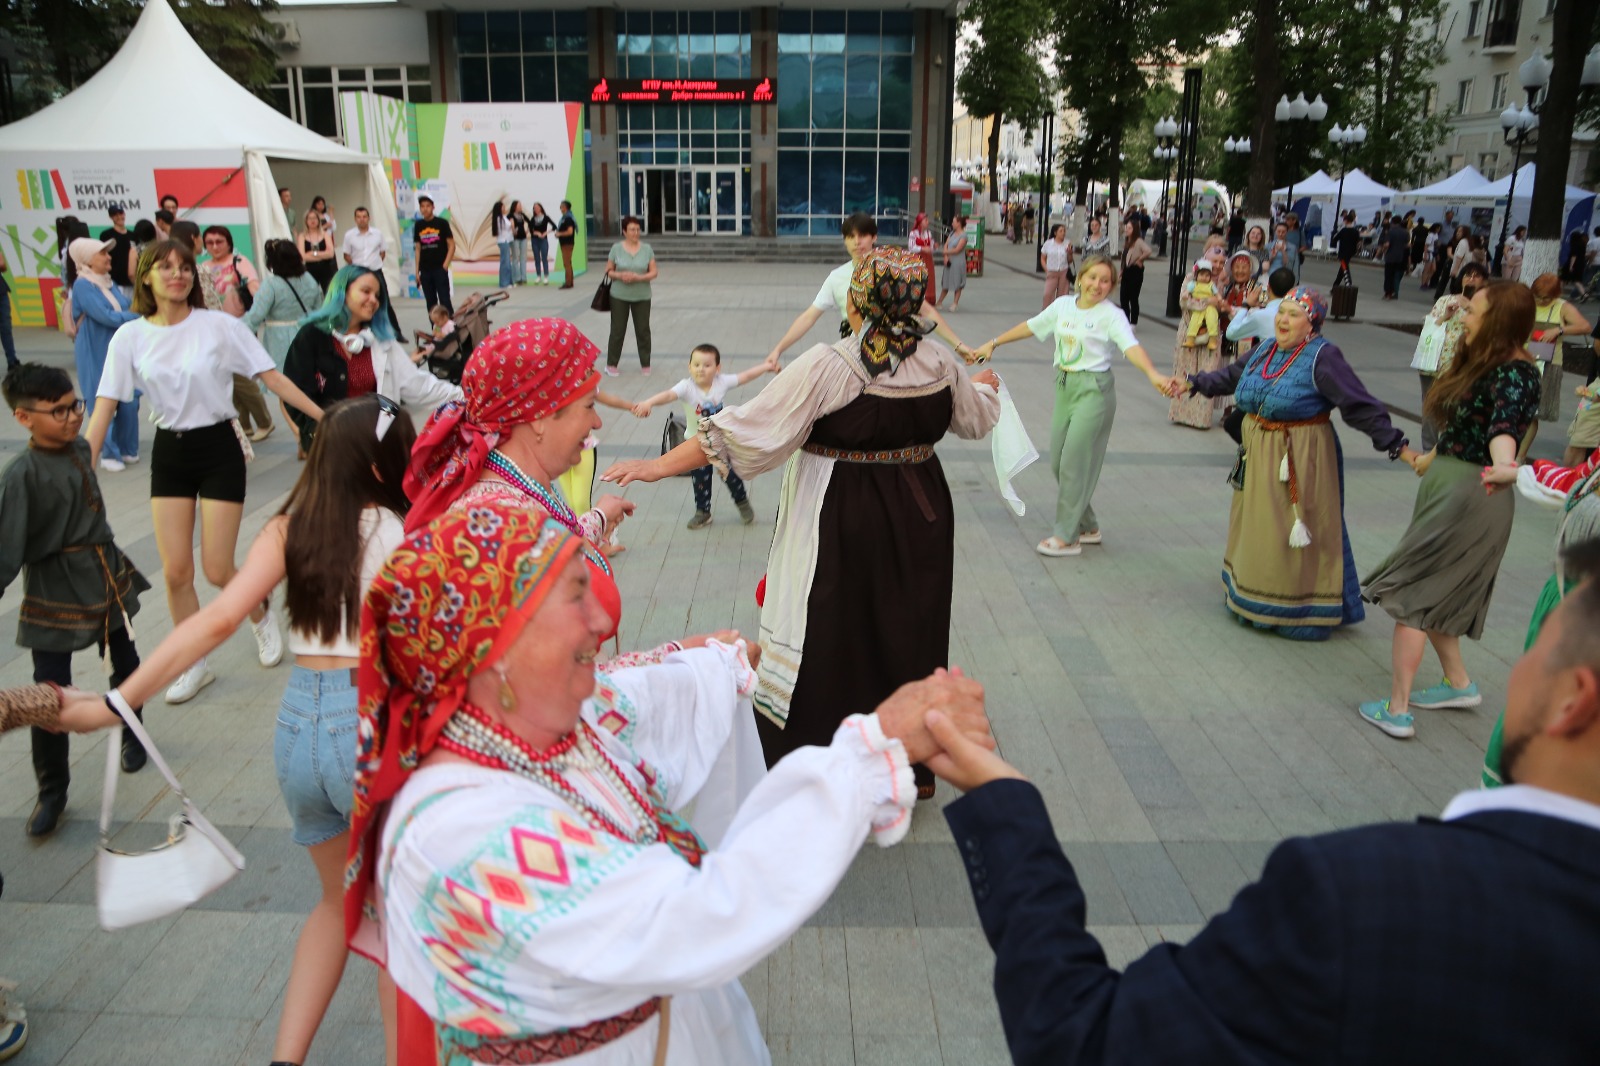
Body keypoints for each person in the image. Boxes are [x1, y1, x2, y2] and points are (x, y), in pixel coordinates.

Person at [343, 502, 993, 1064]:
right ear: (495, 648)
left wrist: (714, 659)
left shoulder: (548, 725)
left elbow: (639, 695)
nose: (601, 621)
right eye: (575, 594)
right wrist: (872, 749)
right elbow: (696, 917)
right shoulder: (461, 831)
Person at [923, 546, 1600, 1065]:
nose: (1516, 671)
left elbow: (1086, 1041)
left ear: (1574, 699)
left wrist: (1002, 805)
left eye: (1535, 648)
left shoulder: (1367, 898)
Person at [63, 396, 412, 1065]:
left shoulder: (287, 526)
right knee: (392, 918)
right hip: (365, 727)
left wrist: (119, 702)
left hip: (298, 731)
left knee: (334, 904)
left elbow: (216, 620)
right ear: (380, 462)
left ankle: (286, 1058)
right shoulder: (397, 528)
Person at [603, 248, 1000, 799]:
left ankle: (825, 762)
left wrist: (655, 466)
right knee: (909, 627)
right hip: (922, 514)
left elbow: (745, 430)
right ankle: (910, 763)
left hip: (842, 515)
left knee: (833, 632)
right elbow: (976, 419)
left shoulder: (832, 364)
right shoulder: (938, 361)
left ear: (858, 298)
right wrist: (984, 387)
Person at [86, 238, 323, 705]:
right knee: (176, 572)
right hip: (171, 454)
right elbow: (103, 409)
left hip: (218, 447)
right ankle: (194, 662)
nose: (178, 274)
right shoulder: (129, 337)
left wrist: (324, 416)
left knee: (217, 567)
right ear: (146, 277)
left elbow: (271, 378)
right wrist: (80, 472)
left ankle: (259, 613)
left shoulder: (218, 327)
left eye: (185, 267)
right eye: (166, 267)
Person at [1171, 286, 1415, 640]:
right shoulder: (1265, 349)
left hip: (1300, 457)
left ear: (1312, 323)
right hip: (1257, 453)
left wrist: (1399, 446)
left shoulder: (1323, 357)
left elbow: (1358, 405)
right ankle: (1252, 597)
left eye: (1293, 314)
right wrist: (1192, 383)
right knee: (1259, 528)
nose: (1283, 320)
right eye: (1281, 312)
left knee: (1291, 530)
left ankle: (1297, 609)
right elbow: (1229, 378)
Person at [1360, 282, 1541, 738]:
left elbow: (1504, 427)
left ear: (1499, 320)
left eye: (1474, 311)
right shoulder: (1487, 362)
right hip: (1454, 486)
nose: (1465, 317)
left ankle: (1397, 709)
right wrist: (1434, 455)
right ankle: (1458, 683)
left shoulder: (1515, 374)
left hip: (1471, 493)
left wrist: (1506, 464)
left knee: (1414, 598)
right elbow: (1470, 423)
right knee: (1438, 595)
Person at [0, 363, 151, 837]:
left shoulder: (83, 448)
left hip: (103, 572)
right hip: (52, 586)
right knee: (49, 691)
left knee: (126, 661)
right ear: (24, 418)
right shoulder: (19, 475)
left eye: (75, 407)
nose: (71, 418)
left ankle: (134, 735)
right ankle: (52, 791)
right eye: (58, 411)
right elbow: (6, 546)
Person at [973, 253, 1165, 557]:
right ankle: (1088, 526)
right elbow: (1031, 326)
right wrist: (993, 343)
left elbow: (1131, 347)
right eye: (1092, 277)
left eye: (1105, 280)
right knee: (1059, 464)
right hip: (1064, 387)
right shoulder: (1063, 305)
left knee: (1073, 463)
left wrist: (1153, 373)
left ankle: (1067, 536)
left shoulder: (1111, 315)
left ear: (1112, 285)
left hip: (1094, 391)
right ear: (1080, 277)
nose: (1097, 285)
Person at [282, 265, 461, 455]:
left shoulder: (381, 340)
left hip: (377, 446)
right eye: (366, 291)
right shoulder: (312, 335)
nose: (373, 300)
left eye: (377, 296)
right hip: (330, 449)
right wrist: (316, 432)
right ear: (342, 291)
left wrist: (467, 395)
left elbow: (419, 386)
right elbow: (293, 392)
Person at [631, 342, 778, 529]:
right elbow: (668, 395)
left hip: (721, 443)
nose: (701, 369)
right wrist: (649, 402)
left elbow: (745, 376)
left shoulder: (721, 382)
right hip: (696, 444)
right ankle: (703, 512)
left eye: (707, 365)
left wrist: (766, 367)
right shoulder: (686, 387)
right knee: (700, 481)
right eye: (696, 365)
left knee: (731, 476)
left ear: (717, 368)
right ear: (689, 367)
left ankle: (742, 503)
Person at [68, 236, 140, 472]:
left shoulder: (107, 282)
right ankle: (109, 452)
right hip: (94, 349)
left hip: (118, 347)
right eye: (103, 253)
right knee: (101, 397)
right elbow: (106, 316)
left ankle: (128, 448)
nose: (108, 257)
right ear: (88, 259)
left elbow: (126, 307)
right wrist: (140, 316)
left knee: (130, 397)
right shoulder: (82, 285)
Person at [244, 238, 325, 441]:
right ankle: (308, 432)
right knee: (307, 390)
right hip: (308, 333)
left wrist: (235, 330)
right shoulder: (309, 279)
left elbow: (256, 315)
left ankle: (301, 437)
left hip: (281, 340)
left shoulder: (271, 284)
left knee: (285, 391)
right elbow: (320, 307)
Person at [201, 225, 275, 442]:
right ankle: (244, 424)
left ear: (229, 242)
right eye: (210, 242)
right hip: (212, 329)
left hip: (238, 327)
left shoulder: (238, 262)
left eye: (219, 241)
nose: (214, 246)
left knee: (242, 376)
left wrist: (260, 307)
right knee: (226, 376)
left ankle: (264, 420)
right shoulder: (203, 266)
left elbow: (254, 286)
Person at [1411, 261, 1489, 451]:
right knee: (1430, 406)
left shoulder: (1488, 306)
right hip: (1434, 362)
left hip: (1462, 365)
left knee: (1456, 406)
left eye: (1476, 276)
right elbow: (1429, 328)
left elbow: (1489, 330)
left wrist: (1471, 306)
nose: (1470, 279)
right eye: (1467, 275)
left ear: (1485, 282)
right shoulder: (1445, 300)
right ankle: (1429, 448)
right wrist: (1445, 315)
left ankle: (1451, 446)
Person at [1168, 236, 1229, 429]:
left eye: (1221, 262)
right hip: (1189, 331)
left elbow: (1222, 306)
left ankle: (1201, 418)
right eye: (1214, 261)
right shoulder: (1191, 278)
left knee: (1207, 372)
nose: (1218, 266)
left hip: (1211, 334)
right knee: (1186, 371)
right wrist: (1205, 303)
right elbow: (1184, 301)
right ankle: (1182, 414)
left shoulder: (1221, 283)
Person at [1529, 271, 1591, 434]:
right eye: (1538, 297)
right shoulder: (1528, 302)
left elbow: (1585, 326)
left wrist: (1559, 330)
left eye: (1546, 298)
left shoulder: (1562, 307)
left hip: (1548, 363)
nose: (1542, 301)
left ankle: (1521, 455)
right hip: (1524, 359)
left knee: (1535, 412)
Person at [603, 216, 657, 376]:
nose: (636, 233)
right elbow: (608, 270)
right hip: (619, 295)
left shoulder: (647, 249)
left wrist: (639, 278)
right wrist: (621, 276)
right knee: (617, 330)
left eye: (638, 229)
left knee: (643, 330)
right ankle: (611, 364)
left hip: (642, 295)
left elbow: (654, 271)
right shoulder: (616, 248)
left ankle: (645, 364)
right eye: (632, 229)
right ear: (624, 232)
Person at [339, 205, 402, 338]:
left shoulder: (377, 233)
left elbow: (383, 252)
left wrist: (375, 264)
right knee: (359, 302)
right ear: (355, 219)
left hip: (376, 271)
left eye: (364, 217)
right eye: (359, 217)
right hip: (358, 274)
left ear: (369, 218)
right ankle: (361, 331)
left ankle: (396, 332)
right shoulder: (349, 235)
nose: (362, 220)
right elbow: (346, 255)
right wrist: (357, 267)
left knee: (385, 302)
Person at [412, 196, 454, 315]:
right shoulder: (418, 225)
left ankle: (450, 329)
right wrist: (417, 272)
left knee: (445, 301)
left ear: (433, 207)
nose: (425, 209)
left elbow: (451, 245)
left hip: (439, 269)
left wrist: (445, 265)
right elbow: (418, 249)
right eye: (422, 206)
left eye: (428, 206)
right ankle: (436, 330)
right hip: (425, 271)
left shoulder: (442, 223)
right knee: (431, 303)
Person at [97, 203, 136, 301]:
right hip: (115, 282)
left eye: (121, 213)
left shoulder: (133, 235)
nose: (119, 217)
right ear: (111, 217)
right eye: (115, 215)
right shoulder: (106, 235)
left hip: (132, 282)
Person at [1119, 219, 1153, 325]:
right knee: (1123, 297)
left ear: (1135, 229)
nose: (1127, 230)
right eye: (1126, 227)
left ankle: (1133, 323)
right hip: (1126, 271)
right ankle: (1125, 320)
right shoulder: (1128, 241)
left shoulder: (1138, 241)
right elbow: (1124, 258)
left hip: (1135, 272)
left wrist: (1139, 259)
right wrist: (1121, 270)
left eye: (1129, 228)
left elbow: (1148, 251)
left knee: (1133, 298)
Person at [1183, 258, 1220, 350]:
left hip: (1210, 306)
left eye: (1207, 275)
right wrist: (1186, 294)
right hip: (1198, 306)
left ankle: (1212, 339)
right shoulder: (1193, 284)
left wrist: (1219, 298)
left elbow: (1216, 293)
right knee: (1195, 321)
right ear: (1196, 275)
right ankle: (1190, 338)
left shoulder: (1211, 285)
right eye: (1202, 275)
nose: (1204, 277)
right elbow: (1187, 291)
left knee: (1212, 319)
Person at [298, 208, 338, 292]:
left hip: (326, 269)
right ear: (306, 221)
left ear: (318, 220)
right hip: (310, 270)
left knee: (329, 294)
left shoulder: (325, 234)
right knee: (311, 294)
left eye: (315, 218)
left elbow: (330, 254)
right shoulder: (302, 236)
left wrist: (313, 253)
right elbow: (302, 256)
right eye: (310, 218)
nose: (312, 220)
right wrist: (323, 255)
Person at [938, 214, 968, 311]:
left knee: (957, 282)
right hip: (949, 261)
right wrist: (945, 256)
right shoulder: (951, 234)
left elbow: (957, 250)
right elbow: (946, 245)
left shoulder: (963, 236)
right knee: (946, 281)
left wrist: (945, 252)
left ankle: (955, 303)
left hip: (958, 262)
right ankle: (939, 302)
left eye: (953, 222)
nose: (952, 224)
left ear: (959, 223)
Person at [1377, 214, 1410, 300]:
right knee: (1395, 275)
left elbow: (1387, 244)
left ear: (1392, 222)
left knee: (1388, 275)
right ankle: (1393, 291)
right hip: (1400, 256)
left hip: (1390, 256)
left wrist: (1383, 250)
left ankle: (1387, 293)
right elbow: (1407, 245)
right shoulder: (1405, 232)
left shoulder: (1390, 231)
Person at [909, 212, 938, 306]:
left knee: (929, 278)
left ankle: (929, 300)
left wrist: (934, 247)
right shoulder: (913, 233)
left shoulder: (928, 233)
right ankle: (918, 299)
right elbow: (911, 247)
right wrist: (922, 248)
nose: (928, 222)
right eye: (926, 220)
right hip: (918, 258)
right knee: (919, 278)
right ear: (920, 222)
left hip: (928, 259)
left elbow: (931, 248)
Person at [1041, 223, 1072, 309]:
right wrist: (1046, 270)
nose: (1063, 233)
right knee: (1047, 294)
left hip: (1064, 271)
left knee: (1063, 295)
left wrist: (1070, 253)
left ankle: (1061, 313)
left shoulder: (1068, 243)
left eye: (1064, 231)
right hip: (1052, 271)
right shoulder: (1048, 243)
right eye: (1061, 231)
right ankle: (1046, 314)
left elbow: (1070, 261)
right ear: (1055, 233)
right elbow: (1043, 258)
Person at [1331, 211, 1362, 288]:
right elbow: (1359, 242)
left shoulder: (1343, 231)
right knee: (1342, 269)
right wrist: (1357, 250)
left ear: (1346, 221)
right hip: (1351, 252)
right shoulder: (1355, 231)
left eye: (1344, 220)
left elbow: (1335, 238)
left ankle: (1348, 284)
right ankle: (1335, 286)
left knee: (1345, 269)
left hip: (1343, 252)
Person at [490, 198, 514, 288]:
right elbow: (507, 227)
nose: (504, 208)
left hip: (507, 240)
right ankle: (504, 283)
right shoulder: (499, 218)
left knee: (507, 262)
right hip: (503, 241)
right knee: (505, 262)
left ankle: (509, 281)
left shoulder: (503, 217)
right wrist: (511, 223)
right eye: (503, 207)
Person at [527, 201, 553, 285]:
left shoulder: (546, 217)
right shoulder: (533, 219)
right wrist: (536, 233)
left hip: (543, 240)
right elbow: (530, 229)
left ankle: (546, 276)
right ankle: (538, 275)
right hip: (535, 240)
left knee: (544, 258)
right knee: (537, 258)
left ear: (541, 208)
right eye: (534, 208)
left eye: (537, 207)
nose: (536, 209)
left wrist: (546, 232)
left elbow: (554, 226)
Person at [556, 199, 578, 289]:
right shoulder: (565, 218)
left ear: (565, 207)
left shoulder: (568, 218)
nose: (560, 208)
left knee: (567, 263)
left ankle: (568, 282)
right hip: (565, 243)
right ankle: (570, 281)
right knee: (568, 263)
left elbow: (570, 231)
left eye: (561, 206)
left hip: (567, 243)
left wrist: (559, 234)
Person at [508, 199, 529, 285]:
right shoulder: (510, 215)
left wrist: (527, 230)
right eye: (519, 205)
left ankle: (523, 277)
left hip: (523, 238)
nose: (520, 207)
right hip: (515, 238)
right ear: (515, 207)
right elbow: (509, 225)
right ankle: (517, 277)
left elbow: (530, 222)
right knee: (515, 258)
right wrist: (513, 230)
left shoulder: (522, 215)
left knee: (523, 258)